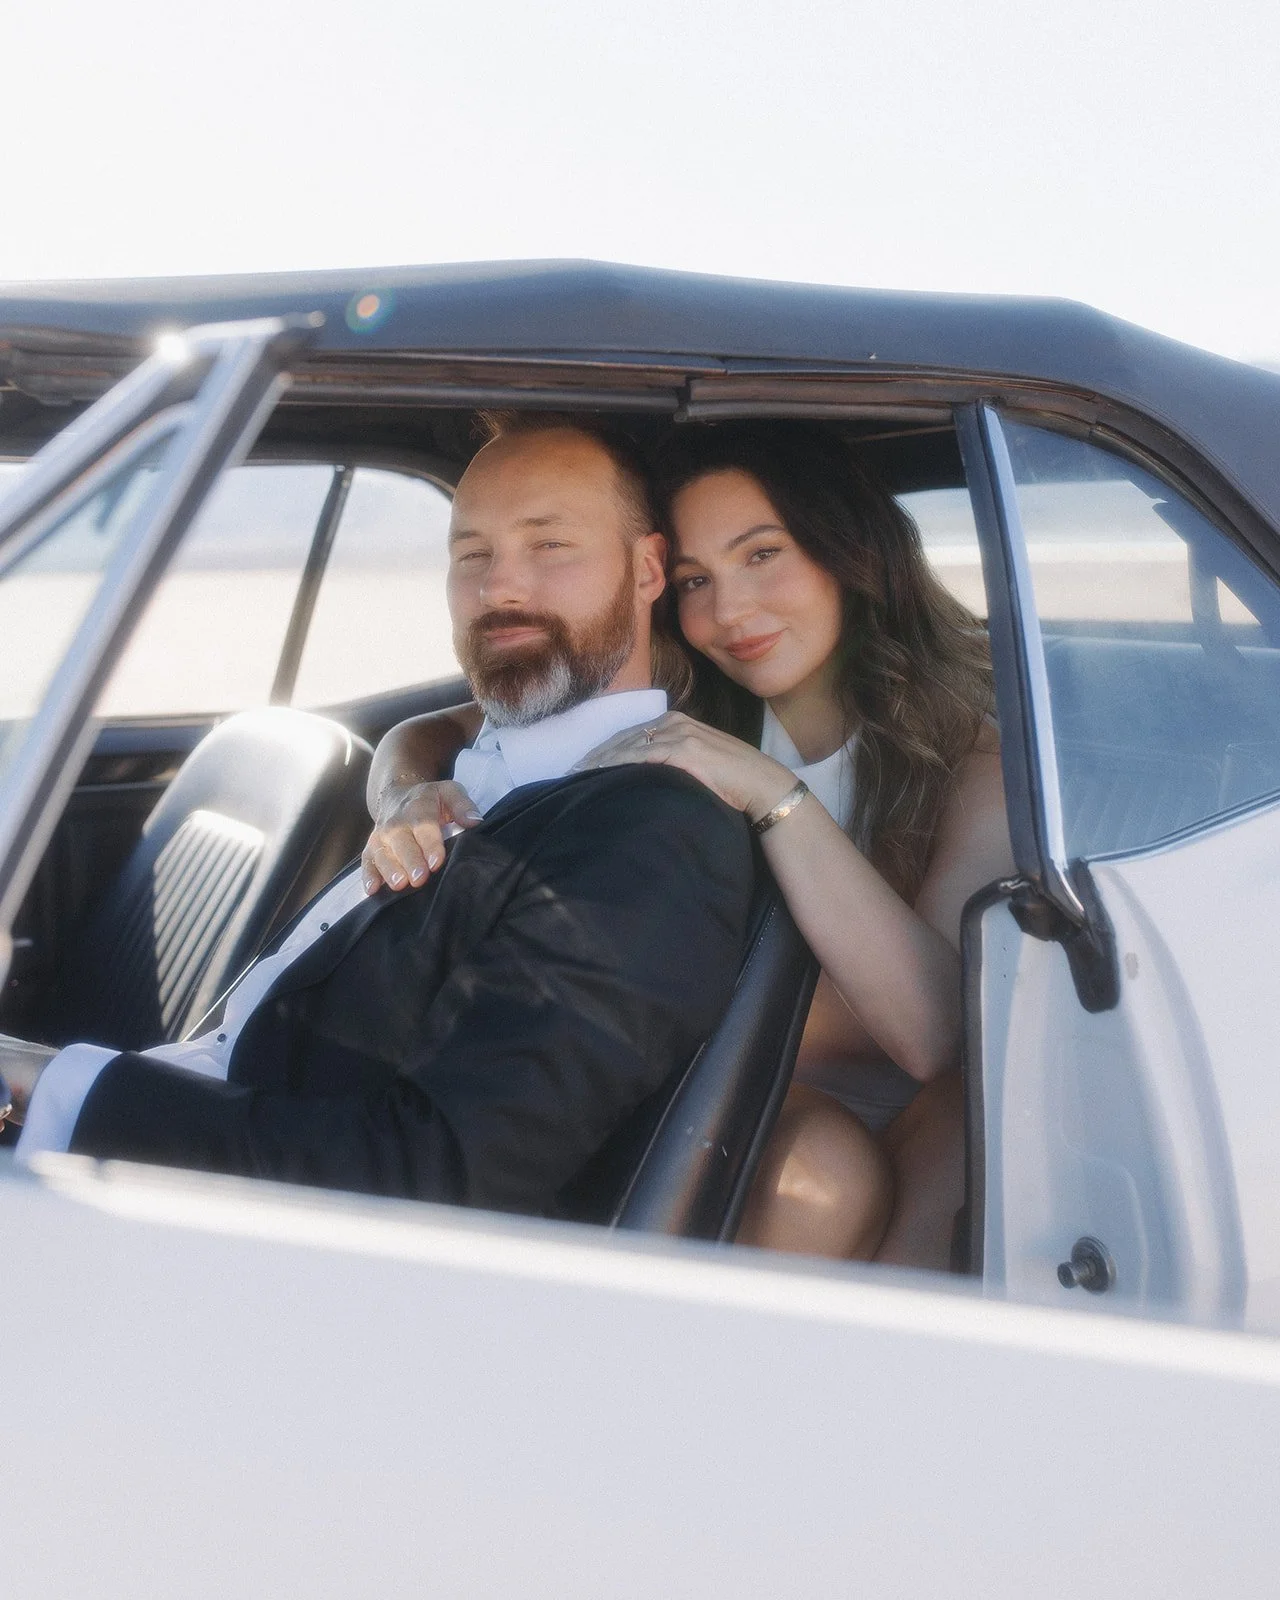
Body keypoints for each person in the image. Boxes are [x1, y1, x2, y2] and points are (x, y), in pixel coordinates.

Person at [0, 420, 756, 1217]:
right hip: (166, 1148)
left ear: (645, 570)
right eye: (471, 555)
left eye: (550, 546)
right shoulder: (479, 768)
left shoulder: (648, 835)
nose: (498, 587)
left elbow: (437, 1176)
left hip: (227, 1244)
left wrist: (48, 1085)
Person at [363, 422, 1014, 1267]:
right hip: (708, 1093)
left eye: (762, 555)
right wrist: (401, 800)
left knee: (840, 1167)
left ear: (847, 552)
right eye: (696, 579)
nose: (729, 612)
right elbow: (424, 734)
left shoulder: (973, 760)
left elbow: (933, 1034)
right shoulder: (687, 703)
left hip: (881, 1126)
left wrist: (776, 799)